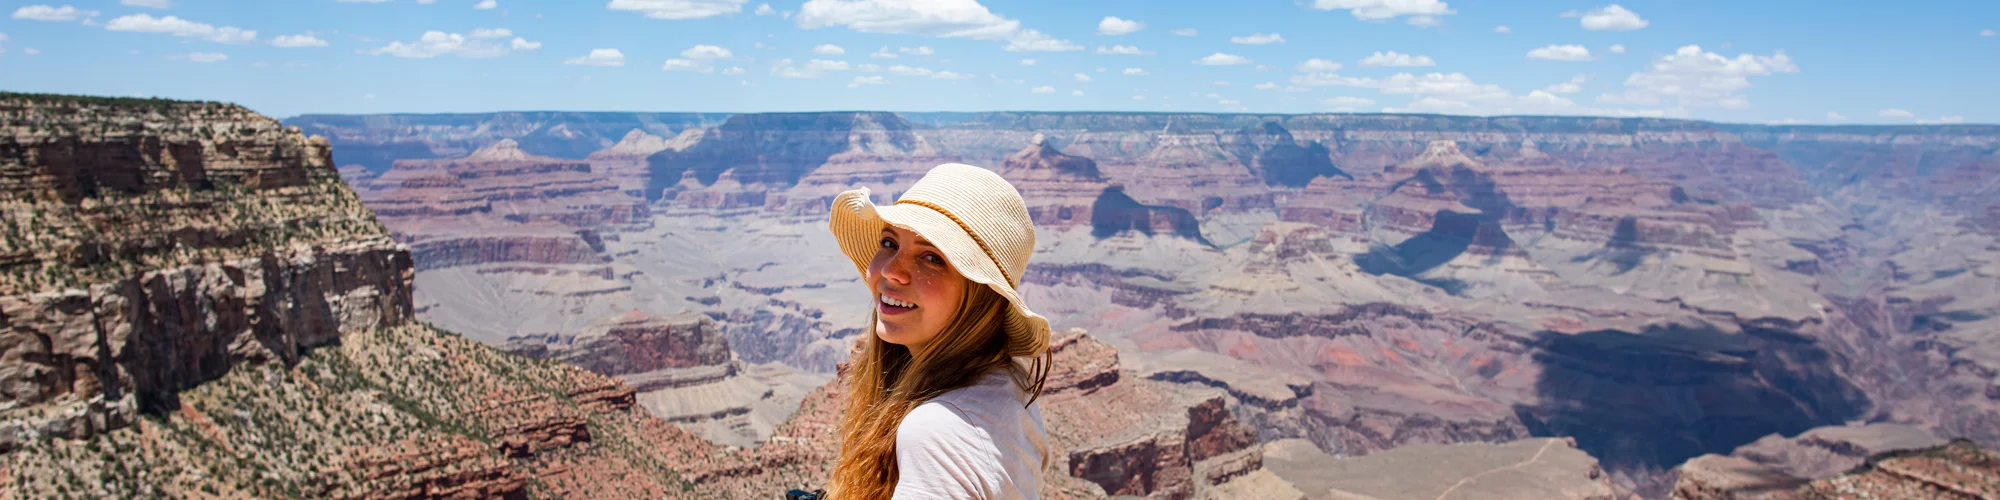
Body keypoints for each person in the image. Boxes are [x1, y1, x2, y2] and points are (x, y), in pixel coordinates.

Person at [822, 163, 1054, 499]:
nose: (891, 270)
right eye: (889, 242)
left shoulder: (936, 432)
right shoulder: (1009, 385)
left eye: (932, 258)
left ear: (981, 294)